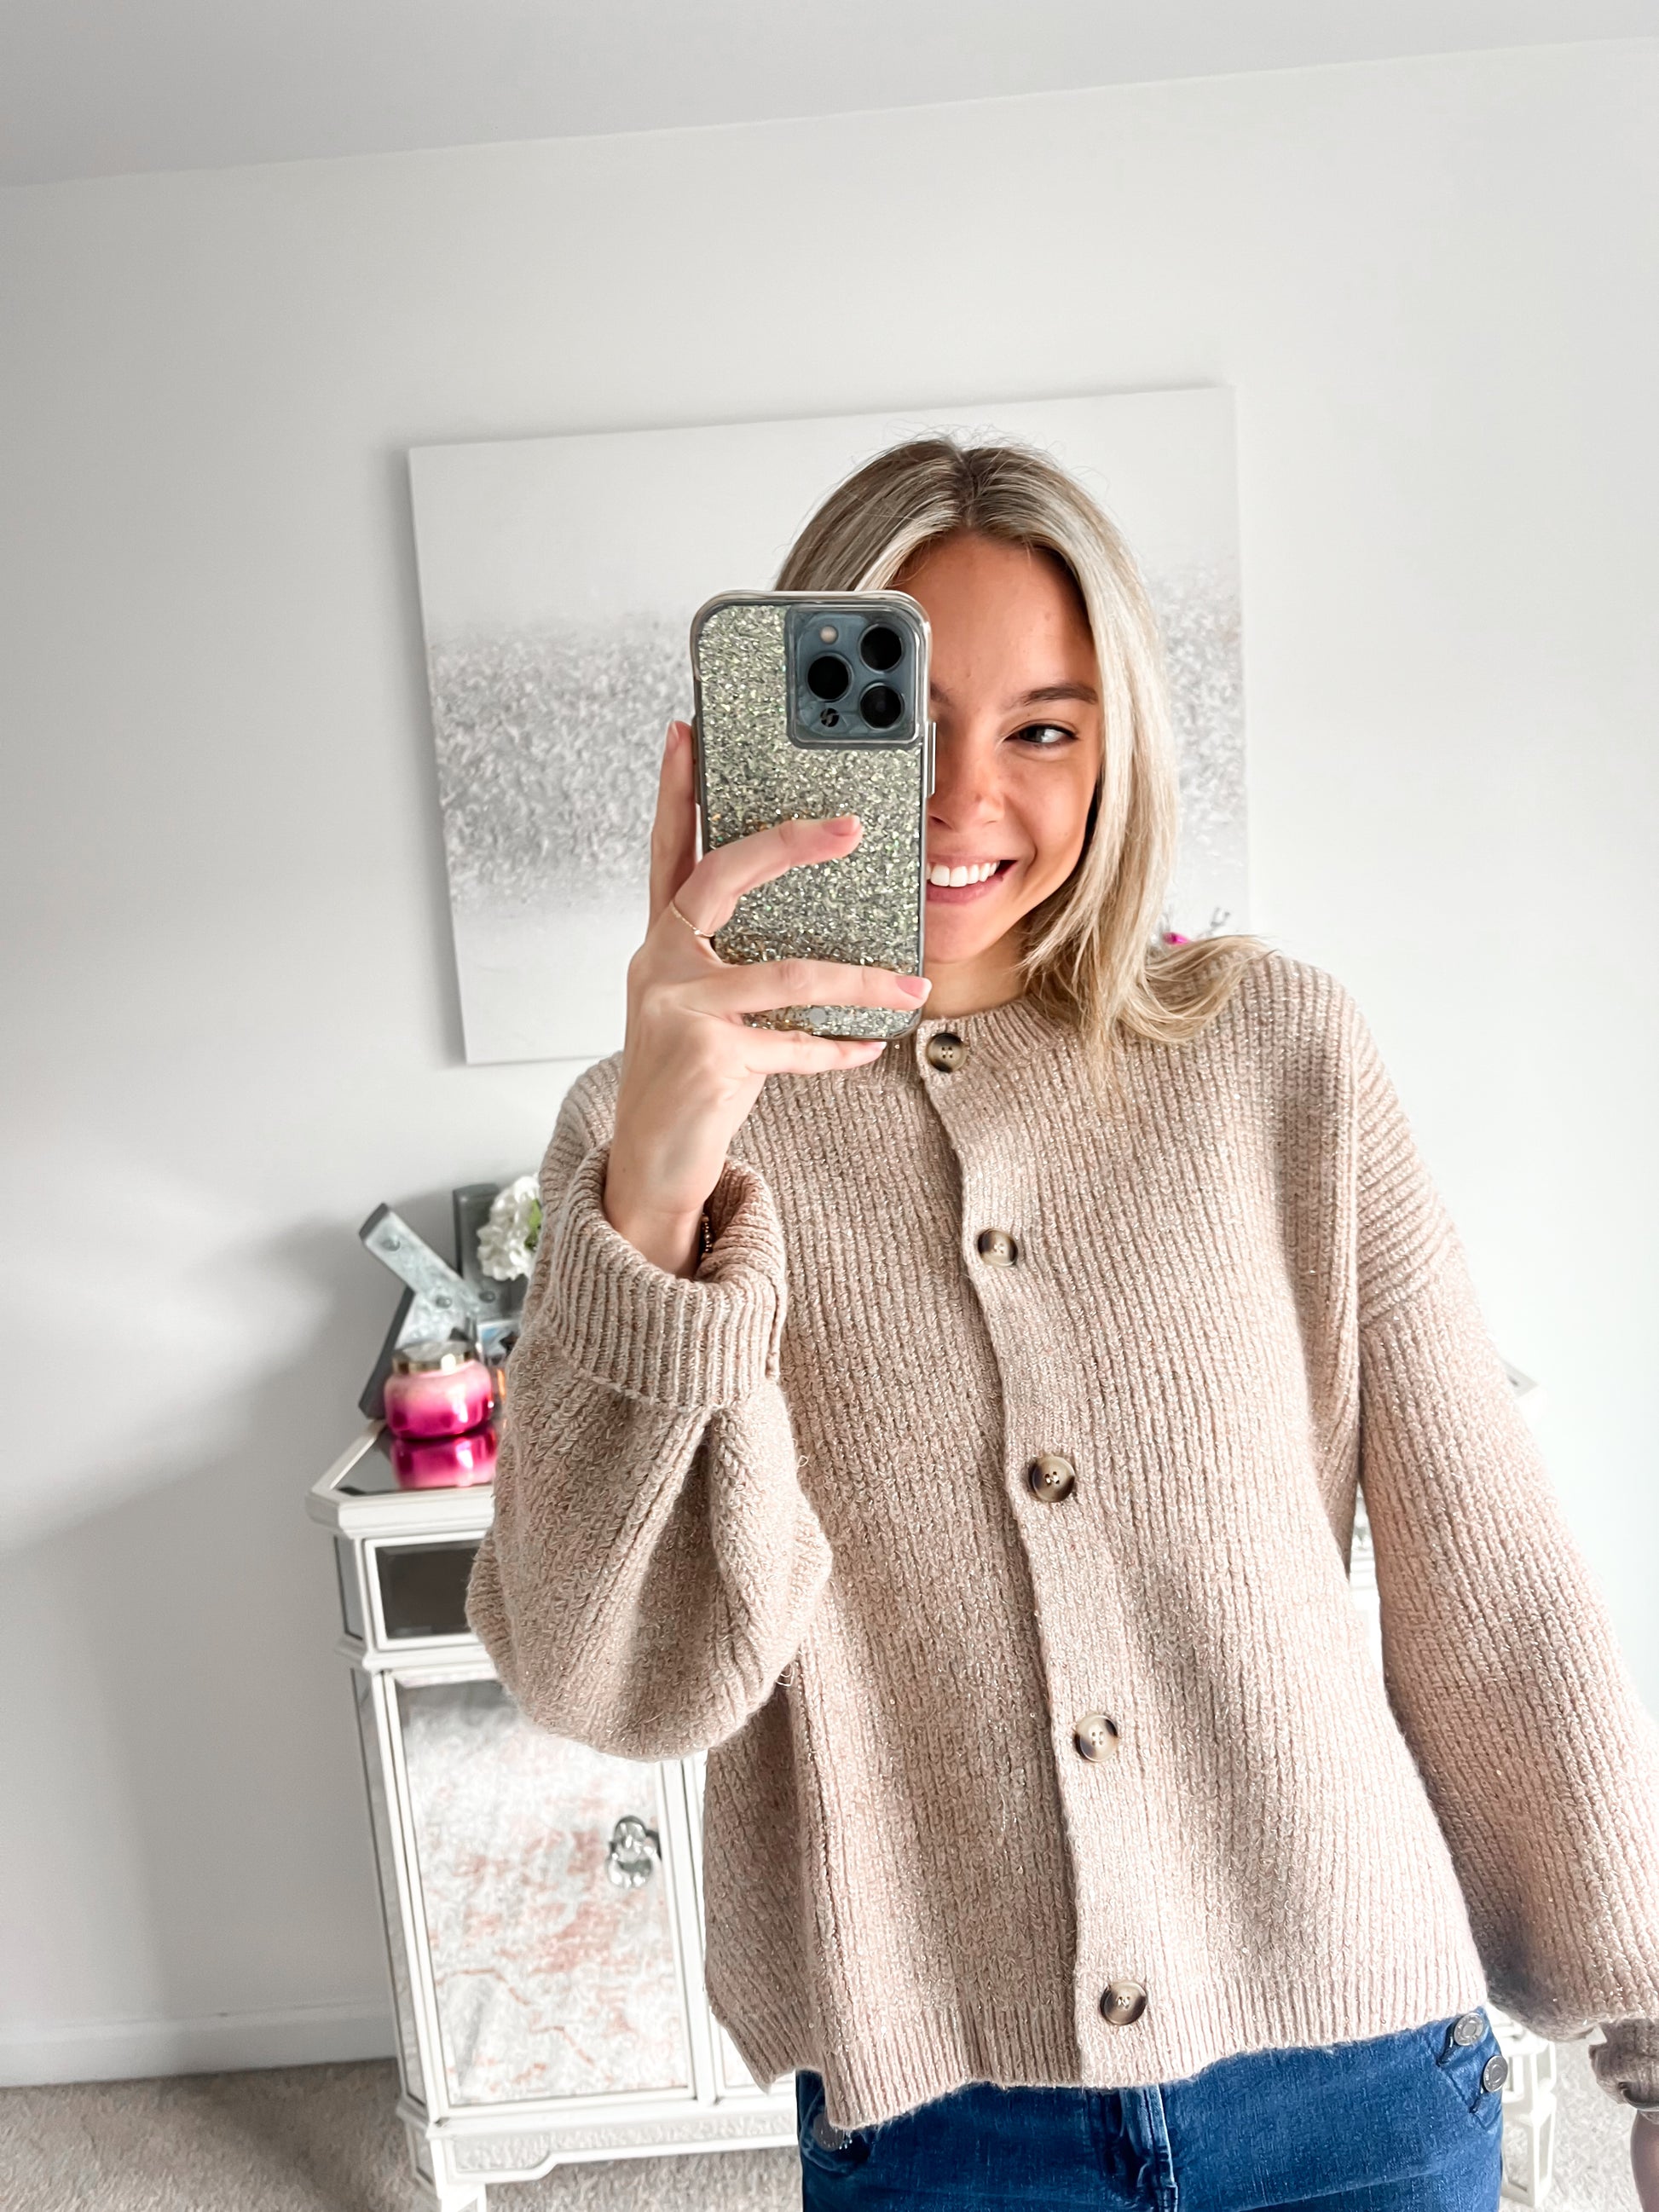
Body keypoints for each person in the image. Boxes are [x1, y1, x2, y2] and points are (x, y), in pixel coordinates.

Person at [465, 438, 1659, 2211]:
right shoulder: (658, 1137)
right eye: (899, 723)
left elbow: (1486, 1574)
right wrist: (660, 1170)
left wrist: (1648, 2024)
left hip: (1359, 2076)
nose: (964, 799)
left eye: (1042, 726)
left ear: (1119, 754)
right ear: (781, 742)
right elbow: (604, 1673)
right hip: (942, 2120)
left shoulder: (1276, 1054)